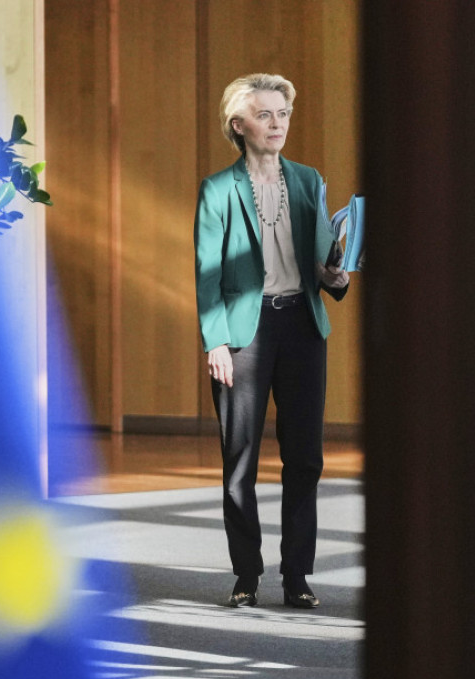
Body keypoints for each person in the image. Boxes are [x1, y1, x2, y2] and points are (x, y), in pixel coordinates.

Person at [194, 73, 350, 609]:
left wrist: (335, 275)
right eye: (265, 115)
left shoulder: (308, 180)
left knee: (305, 458)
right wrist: (215, 341)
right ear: (239, 125)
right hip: (244, 334)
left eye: (283, 114)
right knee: (240, 461)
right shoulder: (218, 190)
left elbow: (323, 264)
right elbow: (207, 273)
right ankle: (246, 575)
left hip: (302, 327)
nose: (277, 124)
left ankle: (297, 576)